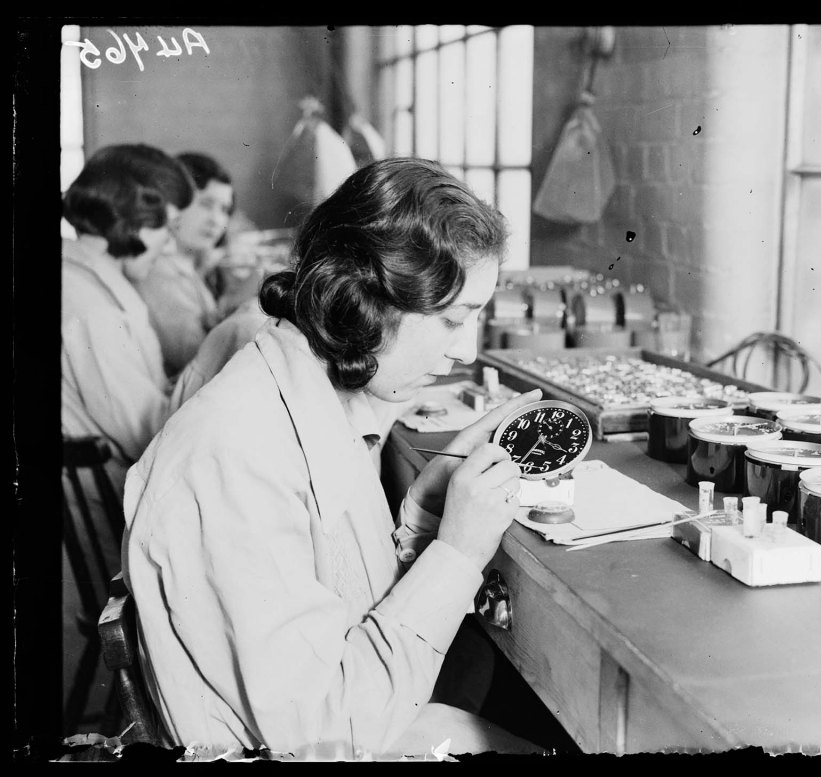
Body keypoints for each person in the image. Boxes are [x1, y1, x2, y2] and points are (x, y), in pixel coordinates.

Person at [121, 158, 545, 760]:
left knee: (482, 666)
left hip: (337, 722)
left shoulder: (305, 395)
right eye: (454, 320)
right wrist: (460, 551)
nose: (464, 351)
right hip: (307, 746)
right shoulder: (237, 454)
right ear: (366, 301)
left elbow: (344, 596)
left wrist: (423, 517)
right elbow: (330, 729)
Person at [62, 143, 194, 511]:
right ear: (129, 219)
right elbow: (148, 435)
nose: (169, 247)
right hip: (100, 511)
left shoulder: (79, 277)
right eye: (166, 229)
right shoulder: (92, 308)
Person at [130, 152, 234, 379]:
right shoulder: (157, 270)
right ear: (174, 203)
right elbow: (197, 358)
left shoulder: (185, 263)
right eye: (206, 204)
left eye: (225, 210)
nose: (216, 220)